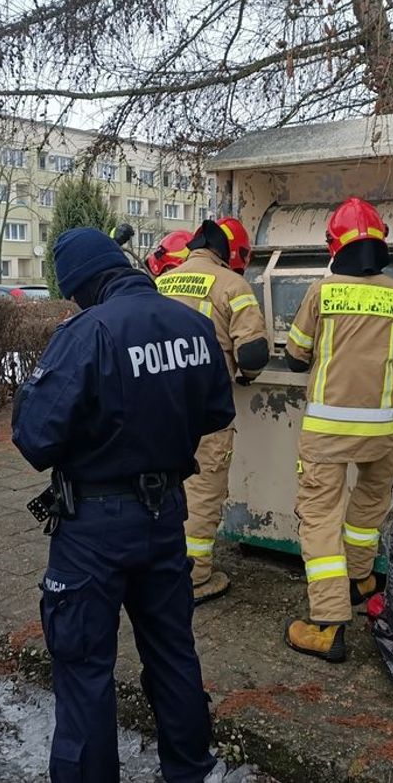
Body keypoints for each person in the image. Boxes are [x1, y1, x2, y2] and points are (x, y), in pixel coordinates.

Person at [12, 227, 235, 783]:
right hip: (166, 519)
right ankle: (188, 771)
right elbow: (216, 412)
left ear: (84, 285)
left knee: (85, 666)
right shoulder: (193, 324)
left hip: (95, 527)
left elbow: (35, 437)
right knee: (173, 652)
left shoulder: (87, 333)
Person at [282, 198, 393, 663]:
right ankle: (361, 579)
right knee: (367, 506)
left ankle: (326, 624)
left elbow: (295, 354)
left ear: (334, 246)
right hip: (383, 432)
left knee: (321, 517)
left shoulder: (321, 293)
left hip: (326, 433)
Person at [155, 217, 269, 603]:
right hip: (204, 410)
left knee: (164, 487)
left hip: (158, 407)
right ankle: (194, 577)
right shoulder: (232, 285)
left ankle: (157, 567)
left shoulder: (163, 281)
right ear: (234, 253)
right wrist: (247, 374)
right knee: (202, 491)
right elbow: (253, 352)